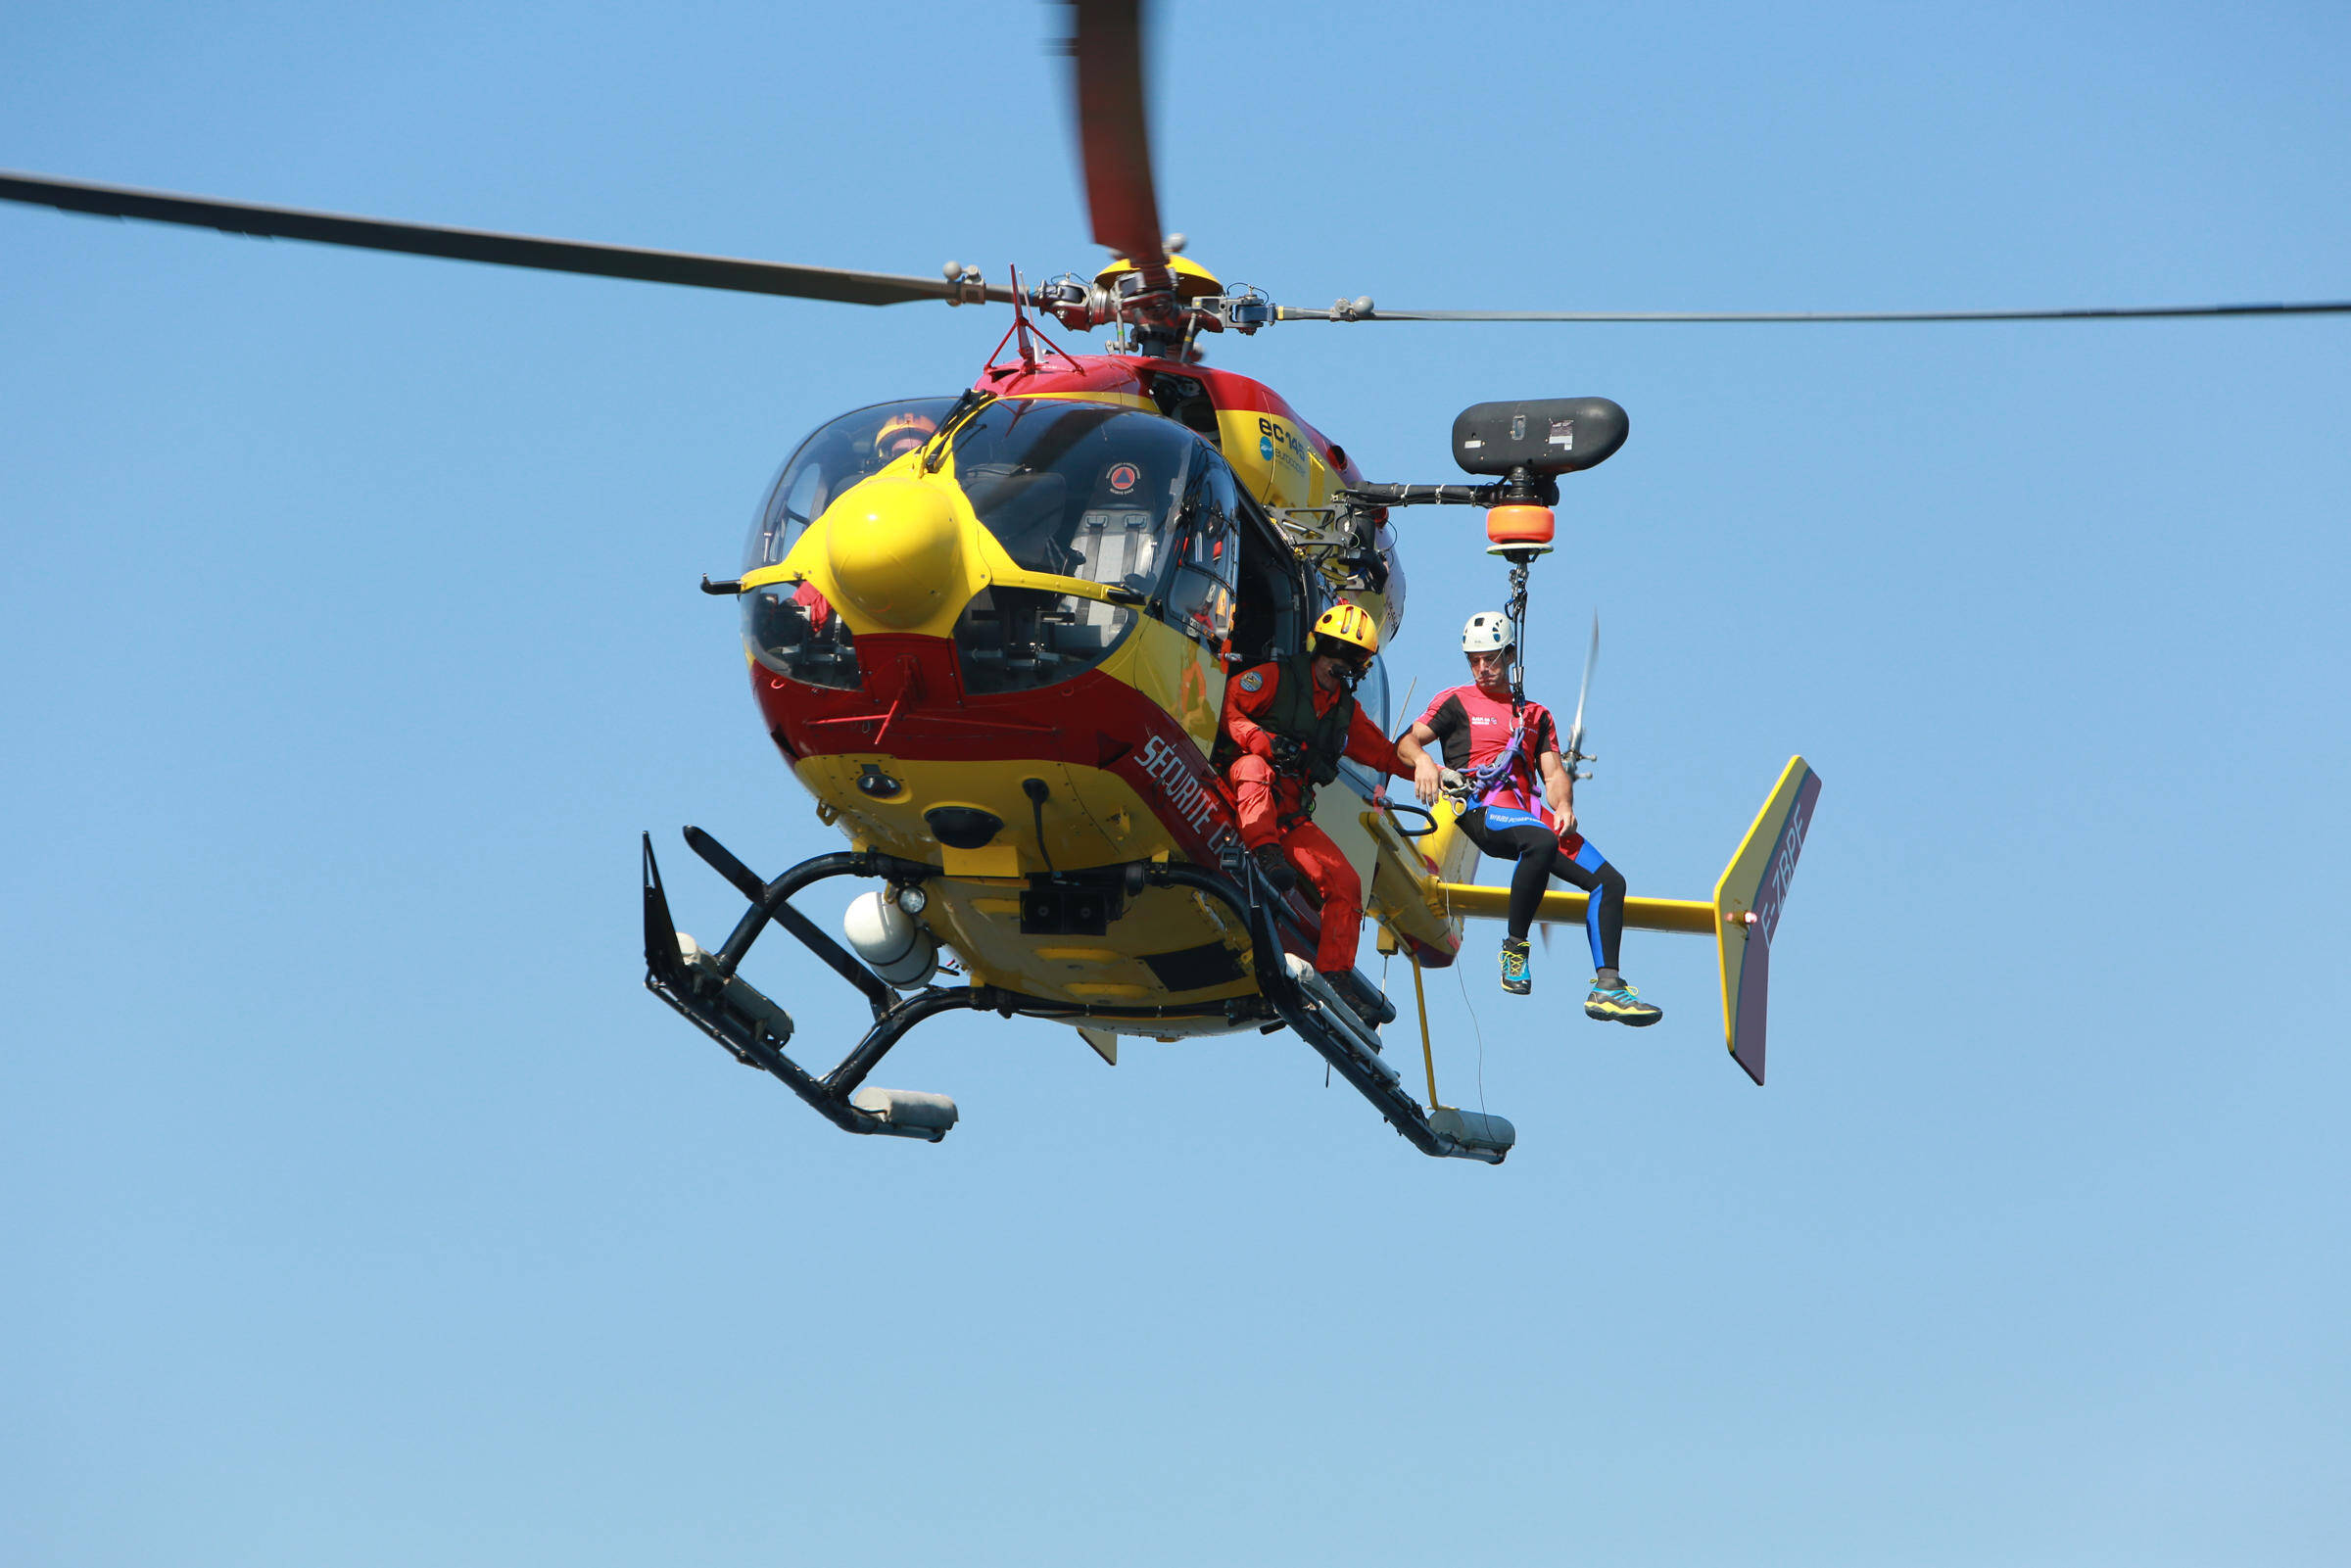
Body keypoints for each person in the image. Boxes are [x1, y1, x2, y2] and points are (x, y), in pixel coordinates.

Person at [1396, 611, 1662, 1024]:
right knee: (1539, 841)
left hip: (1530, 814)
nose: (1482, 668)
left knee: (1610, 883)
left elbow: (1553, 774)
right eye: (1474, 660)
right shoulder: (1457, 702)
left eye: (1490, 659)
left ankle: (1607, 987)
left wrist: (1565, 807)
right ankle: (1514, 950)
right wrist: (1426, 765)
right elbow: (1407, 742)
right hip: (1482, 808)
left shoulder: (1535, 715)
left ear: (1510, 655)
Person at [1219, 602, 1414, 980]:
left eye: (1349, 655)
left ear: (1359, 667)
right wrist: (1262, 740)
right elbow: (1228, 707)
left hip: (1290, 814)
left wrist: (1433, 772)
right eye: (1332, 649)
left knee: (1347, 883)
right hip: (1239, 786)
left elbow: (1387, 756)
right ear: (1318, 646)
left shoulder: (1345, 712)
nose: (1335, 661)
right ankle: (1264, 854)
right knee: (1254, 767)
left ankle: (1335, 977)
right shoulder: (1277, 677)